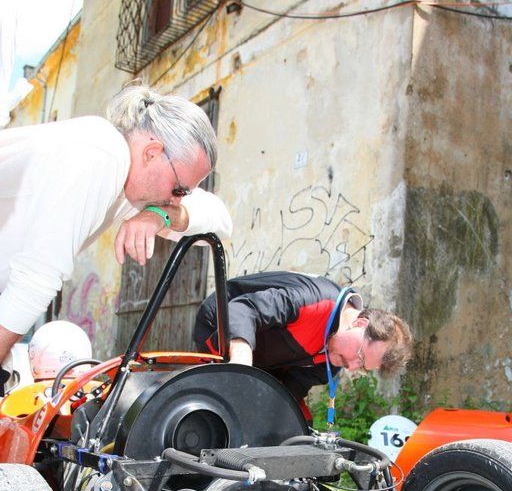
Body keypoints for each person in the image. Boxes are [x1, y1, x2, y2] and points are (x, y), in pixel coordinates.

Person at [0, 82, 232, 382]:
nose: (177, 200)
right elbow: (35, 280)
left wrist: (159, 215)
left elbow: (221, 220)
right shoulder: (101, 153)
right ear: (152, 153)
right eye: (178, 190)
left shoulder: (127, 181)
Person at [194, 271, 412, 421]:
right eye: (360, 356)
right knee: (223, 411)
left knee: (295, 423)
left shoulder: (335, 360)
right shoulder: (314, 301)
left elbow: (288, 392)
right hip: (222, 322)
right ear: (360, 324)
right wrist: (241, 363)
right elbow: (242, 310)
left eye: (363, 368)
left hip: (267, 358)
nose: (352, 367)